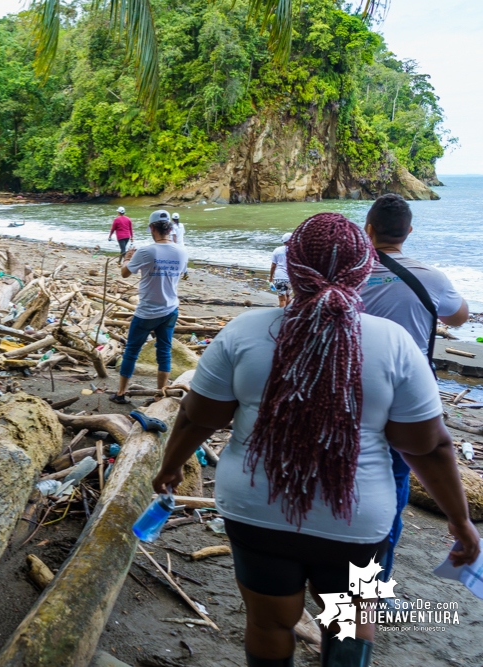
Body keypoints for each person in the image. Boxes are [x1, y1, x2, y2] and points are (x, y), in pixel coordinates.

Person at [151, 213, 479, 667]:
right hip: (358, 519)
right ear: (364, 268)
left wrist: (169, 468)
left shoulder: (244, 331)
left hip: (254, 509)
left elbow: (197, 418)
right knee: (348, 624)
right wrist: (460, 520)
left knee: (268, 623)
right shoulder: (394, 342)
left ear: (292, 266)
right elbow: (428, 446)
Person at [360, 194, 471, 585]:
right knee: (394, 484)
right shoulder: (432, 277)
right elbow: (459, 318)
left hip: (349, 391)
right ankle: (372, 587)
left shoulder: (346, 275)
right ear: (408, 231)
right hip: (408, 396)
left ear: (367, 228)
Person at [110, 211, 188, 403]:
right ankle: (159, 394)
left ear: (152, 228)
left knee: (131, 351)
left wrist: (128, 257)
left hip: (147, 310)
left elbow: (125, 273)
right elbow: (181, 273)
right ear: (170, 228)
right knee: (164, 351)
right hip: (170, 308)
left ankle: (121, 393)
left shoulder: (147, 251)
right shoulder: (181, 251)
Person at [269, 232, 292, 307]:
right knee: (288, 296)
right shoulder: (294, 251)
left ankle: (282, 316)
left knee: (282, 299)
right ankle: (288, 314)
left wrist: (271, 277)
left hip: (279, 277)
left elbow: (273, 265)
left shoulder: (277, 250)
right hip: (290, 278)